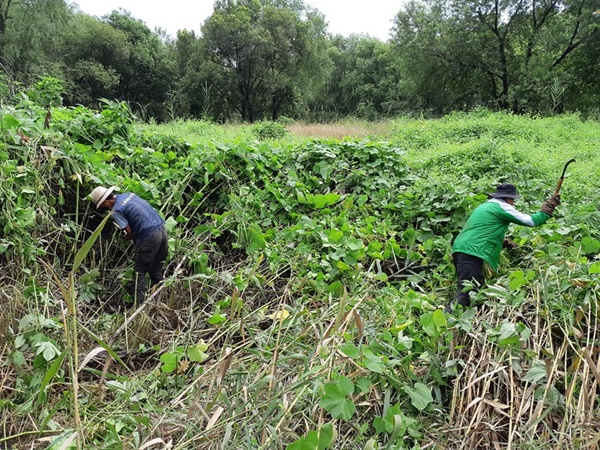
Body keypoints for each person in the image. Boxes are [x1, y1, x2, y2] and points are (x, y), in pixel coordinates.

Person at [447, 183, 560, 312]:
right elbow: (531, 221)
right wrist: (549, 206)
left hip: (463, 249)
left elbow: (482, 230)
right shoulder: (502, 206)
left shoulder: (485, 206)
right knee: (466, 294)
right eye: (513, 200)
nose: (513, 203)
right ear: (507, 199)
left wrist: (504, 242)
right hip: (472, 251)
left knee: (474, 290)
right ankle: (446, 323)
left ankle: (461, 323)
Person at [90, 186, 168, 304]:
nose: (104, 209)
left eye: (103, 206)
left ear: (105, 201)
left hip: (150, 236)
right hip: (162, 230)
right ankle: (164, 298)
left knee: (139, 272)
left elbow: (128, 230)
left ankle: (139, 306)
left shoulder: (116, 210)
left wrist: (129, 237)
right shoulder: (129, 195)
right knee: (156, 269)